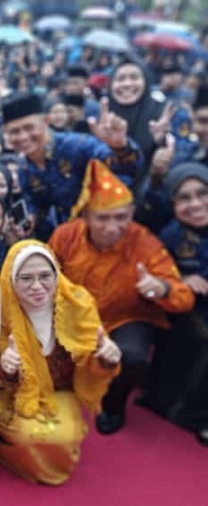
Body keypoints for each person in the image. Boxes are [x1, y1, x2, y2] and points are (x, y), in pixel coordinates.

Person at [49, 160, 195, 435]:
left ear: (131, 214)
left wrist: (161, 288)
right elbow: (46, 275)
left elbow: (184, 297)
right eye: (103, 218)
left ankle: (114, 404)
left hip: (122, 318)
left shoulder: (146, 243)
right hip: (72, 314)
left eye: (121, 218)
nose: (113, 227)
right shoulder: (66, 235)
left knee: (134, 357)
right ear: (86, 216)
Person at [0, 240, 121, 485]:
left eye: (45, 276)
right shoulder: (0, 313)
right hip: (19, 393)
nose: (37, 286)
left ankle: (46, 461)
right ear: (11, 281)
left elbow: (92, 361)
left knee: (64, 437)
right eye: (26, 278)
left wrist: (105, 359)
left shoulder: (78, 304)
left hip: (63, 392)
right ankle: (4, 444)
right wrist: (6, 366)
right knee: (26, 436)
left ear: (57, 273)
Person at [0, 92, 143, 240]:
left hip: (110, 232)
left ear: (46, 121)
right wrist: (30, 217)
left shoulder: (77, 146)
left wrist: (119, 147)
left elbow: (127, 168)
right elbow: (33, 201)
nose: (23, 136)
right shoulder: (24, 167)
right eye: (14, 131)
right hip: (72, 239)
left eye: (29, 128)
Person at [139, 163, 208, 444]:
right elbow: (157, 275)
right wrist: (181, 279)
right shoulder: (171, 236)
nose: (195, 204)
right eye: (184, 198)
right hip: (188, 310)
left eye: (202, 194)